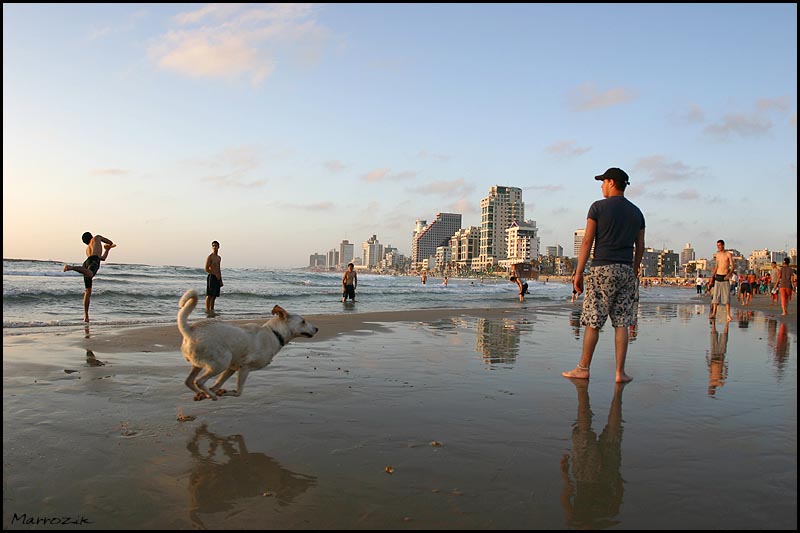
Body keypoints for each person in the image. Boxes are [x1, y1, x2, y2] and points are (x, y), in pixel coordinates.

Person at [562, 168, 645, 383]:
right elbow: (640, 247)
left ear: (611, 182)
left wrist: (578, 272)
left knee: (593, 320)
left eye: (603, 182)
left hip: (602, 269)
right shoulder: (637, 213)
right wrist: (634, 269)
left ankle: (583, 368)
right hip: (627, 270)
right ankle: (620, 372)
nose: (601, 186)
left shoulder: (598, 207)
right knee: (622, 323)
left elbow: (588, 242)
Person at [559, 379, 626, 529]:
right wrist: (565, 475)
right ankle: (584, 391)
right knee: (584, 434)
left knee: (613, 435)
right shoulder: (576, 521)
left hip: (607, 477)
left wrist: (617, 476)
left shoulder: (606, 520)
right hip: (586, 477)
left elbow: (618, 498)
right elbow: (566, 497)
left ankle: (617, 394)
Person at [63, 231, 116, 322]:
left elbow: (102, 258)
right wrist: (109, 245)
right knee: (90, 273)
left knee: (88, 291)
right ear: (91, 236)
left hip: (86, 262)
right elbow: (110, 242)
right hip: (94, 261)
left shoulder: (88, 249)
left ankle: (86, 315)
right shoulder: (97, 238)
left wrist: (107, 250)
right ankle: (71, 267)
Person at [709, 240, 734, 321]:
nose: (718, 247)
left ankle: (728, 315)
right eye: (717, 245)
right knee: (715, 297)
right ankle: (714, 314)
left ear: (723, 245)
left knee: (726, 298)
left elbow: (733, 266)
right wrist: (712, 277)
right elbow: (716, 266)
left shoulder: (728, 254)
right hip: (718, 277)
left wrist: (729, 274)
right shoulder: (718, 255)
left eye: (719, 245)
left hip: (725, 277)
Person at [706, 320, 729, 396]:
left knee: (717, 336)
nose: (709, 388)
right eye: (710, 390)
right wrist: (726, 367)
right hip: (718, 358)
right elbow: (710, 369)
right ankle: (721, 323)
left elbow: (710, 369)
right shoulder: (718, 383)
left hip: (715, 357)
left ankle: (715, 323)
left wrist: (726, 367)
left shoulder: (717, 383)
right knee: (720, 337)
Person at [205, 240, 223, 313]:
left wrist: (220, 280)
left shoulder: (219, 258)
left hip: (217, 278)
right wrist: (214, 273)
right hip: (211, 277)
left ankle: (212, 309)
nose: (215, 247)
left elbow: (219, 269)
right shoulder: (210, 257)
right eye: (213, 246)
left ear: (218, 247)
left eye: (216, 246)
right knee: (209, 295)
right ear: (212, 247)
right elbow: (206, 269)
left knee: (215, 295)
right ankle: (207, 310)